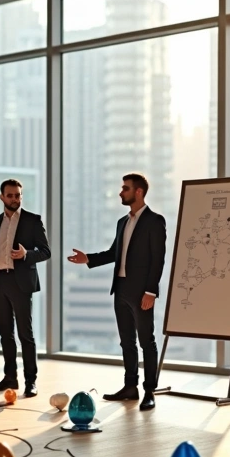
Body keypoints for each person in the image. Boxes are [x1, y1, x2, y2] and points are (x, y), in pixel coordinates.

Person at [66, 173, 167, 411]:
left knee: (147, 341)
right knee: (126, 342)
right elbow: (114, 253)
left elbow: (158, 260)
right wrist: (88, 259)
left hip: (142, 292)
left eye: (125, 188)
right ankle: (129, 387)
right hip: (120, 289)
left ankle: (149, 390)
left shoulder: (155, 221)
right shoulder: (122, 222)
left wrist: (151, 292)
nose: (121, 192)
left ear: (139, 192)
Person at [0, 178, 51, 397]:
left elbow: (45, 251)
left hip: (21, 282)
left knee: (26, 334)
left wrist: (26, 254)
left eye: (18, 195)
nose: (15, 199)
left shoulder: (33, 220)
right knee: (5, 333)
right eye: (10, 195)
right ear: (2, 197)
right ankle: (10, 378)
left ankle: (30, 381)